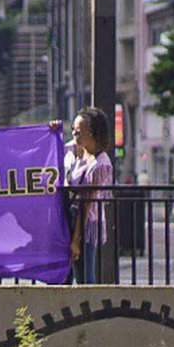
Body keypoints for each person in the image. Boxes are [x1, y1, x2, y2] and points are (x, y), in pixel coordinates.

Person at [67, 106, 113, 284]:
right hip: (73, 216)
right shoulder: (79, 151)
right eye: (73, 130)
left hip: (86, 223)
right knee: (74, 272)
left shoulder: (100, 163)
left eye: (78, 132)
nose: (74, 135)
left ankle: (88, 310)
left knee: (86, 275)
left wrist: (76, 239)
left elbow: (87, 205)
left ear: (92, 133)